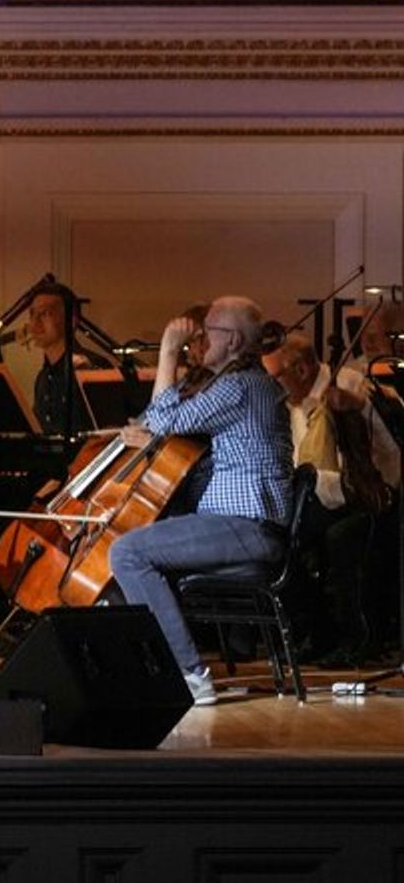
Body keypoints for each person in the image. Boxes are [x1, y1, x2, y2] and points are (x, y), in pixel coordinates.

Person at [108, 296, 294, 706]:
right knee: (125, 566)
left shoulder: (240, 386)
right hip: (239, 526)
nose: (197, 337)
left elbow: (158, 420)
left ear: (231, 341)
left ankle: (190, 677)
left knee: (127, 552)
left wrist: (168, 353)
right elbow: (162, 425)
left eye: (207, 330)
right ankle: (146, 671)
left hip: (245, 527)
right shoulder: (247, 385)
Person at [262, 331, 395, 663]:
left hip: (372, 493)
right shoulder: (290, 406)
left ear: (302, 370)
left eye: (276, 377)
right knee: (276, 536)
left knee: (333, 536)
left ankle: (358, 637)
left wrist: (359, 407)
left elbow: (391, 432)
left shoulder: (350, 383)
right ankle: (315, 633)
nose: (272, 386)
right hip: (320, 500)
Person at [28, 284, 108, 436]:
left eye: (45, 314)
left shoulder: (92, 369)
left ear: (71, 321)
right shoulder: (42, 378)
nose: (35, 323)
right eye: (32, 314)